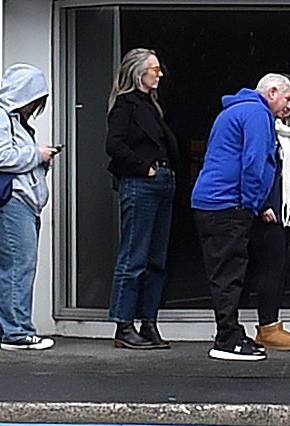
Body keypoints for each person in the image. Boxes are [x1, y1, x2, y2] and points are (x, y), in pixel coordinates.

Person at [187, 73, 290, 361]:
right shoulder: (258, 114)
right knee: (229, 273)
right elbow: (254, 162)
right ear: (272, 92)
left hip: (211, 202)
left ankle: (231, 333)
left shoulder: (234, 110)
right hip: (228, 204)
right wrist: (254, 203)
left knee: (225, 270)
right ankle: (227, 340)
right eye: (289, 98)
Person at [0, 62, 58, 351]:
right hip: (10, 202)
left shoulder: (9, 118)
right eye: (35, 99)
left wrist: (38, 159)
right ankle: (17, 333)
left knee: (6, 266)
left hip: (14, 201)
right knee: (19, 264)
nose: (35, 106)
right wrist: (37, 154)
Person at [103, 49, 181, 350]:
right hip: (142, 183)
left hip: (160, 182)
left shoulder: (150, 106)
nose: (159, 74)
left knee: (156, 259)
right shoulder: (126, 104)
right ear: (139, 72)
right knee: (134, 256)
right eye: (155, 68)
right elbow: (114, 144)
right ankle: (125, 325)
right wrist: (144, 168)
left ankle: (148, 321)